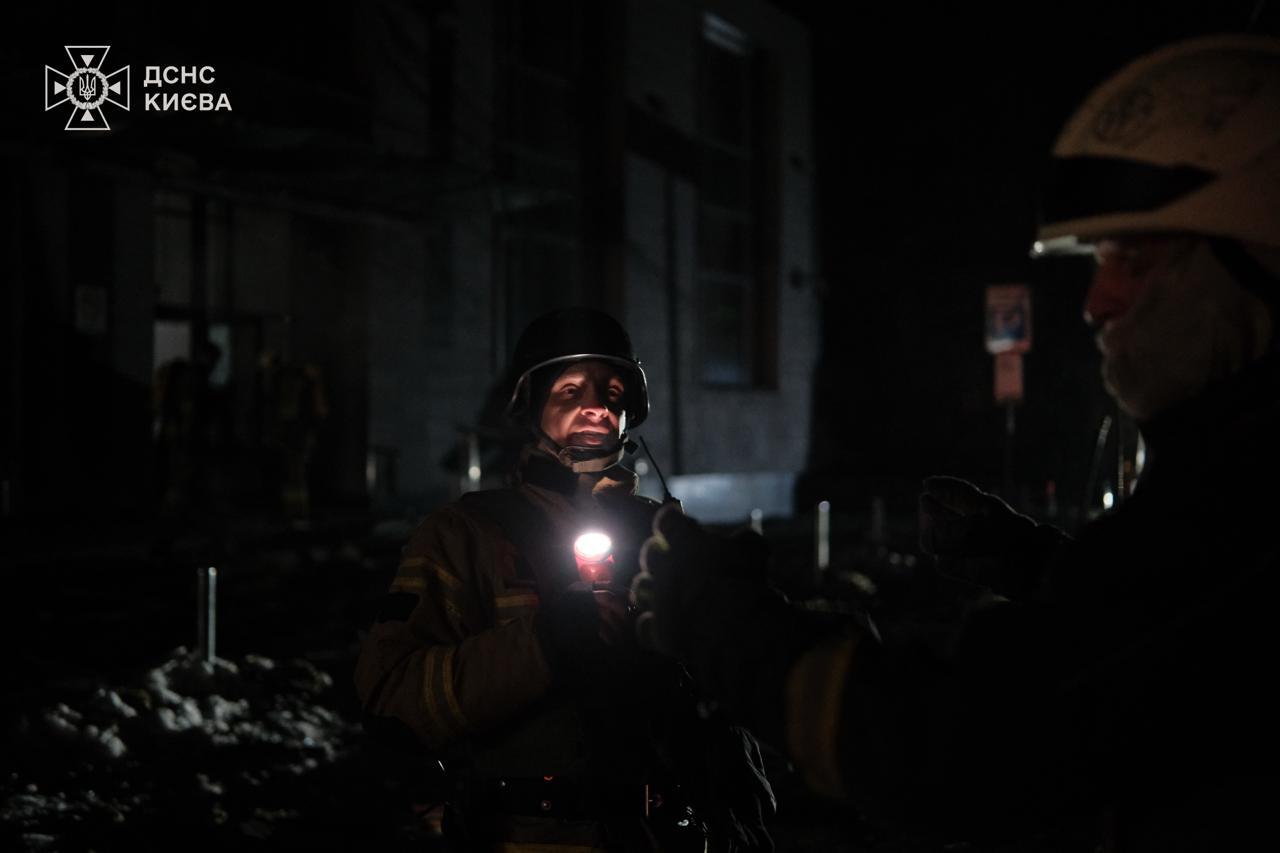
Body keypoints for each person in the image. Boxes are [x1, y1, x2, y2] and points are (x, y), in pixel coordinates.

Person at [631, 35, 1280, 852]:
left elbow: (964, 742)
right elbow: (1135, 634)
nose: (1098, 302)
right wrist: (1025, 559)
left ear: (1254, 258)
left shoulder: (1245, 499)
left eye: (1135, 260)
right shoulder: (1233, 482)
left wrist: (721, 621)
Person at [355, 307, 774, 853]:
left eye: (614, 391)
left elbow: (728, 700)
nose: (597, 405)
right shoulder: (466, 534)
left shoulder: (666, 536)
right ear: (531, 406)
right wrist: (543, 644)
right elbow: (390, 697)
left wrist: (740, 615)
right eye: (571, 389)